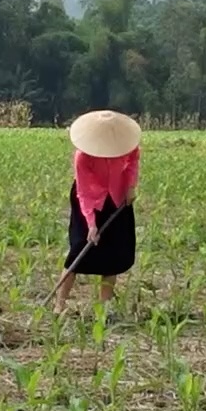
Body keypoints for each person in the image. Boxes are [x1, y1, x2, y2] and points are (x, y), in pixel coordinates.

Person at [55, 109, 141, 312]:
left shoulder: (126, 146)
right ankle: (59, 305)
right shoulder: (82, 157)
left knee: (114, 253)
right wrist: (91, 224)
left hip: (118, 200)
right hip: (90, 202)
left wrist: (130, 186)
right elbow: (83, 192)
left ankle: (104, 309)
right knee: (78, 251)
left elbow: (132, 163)